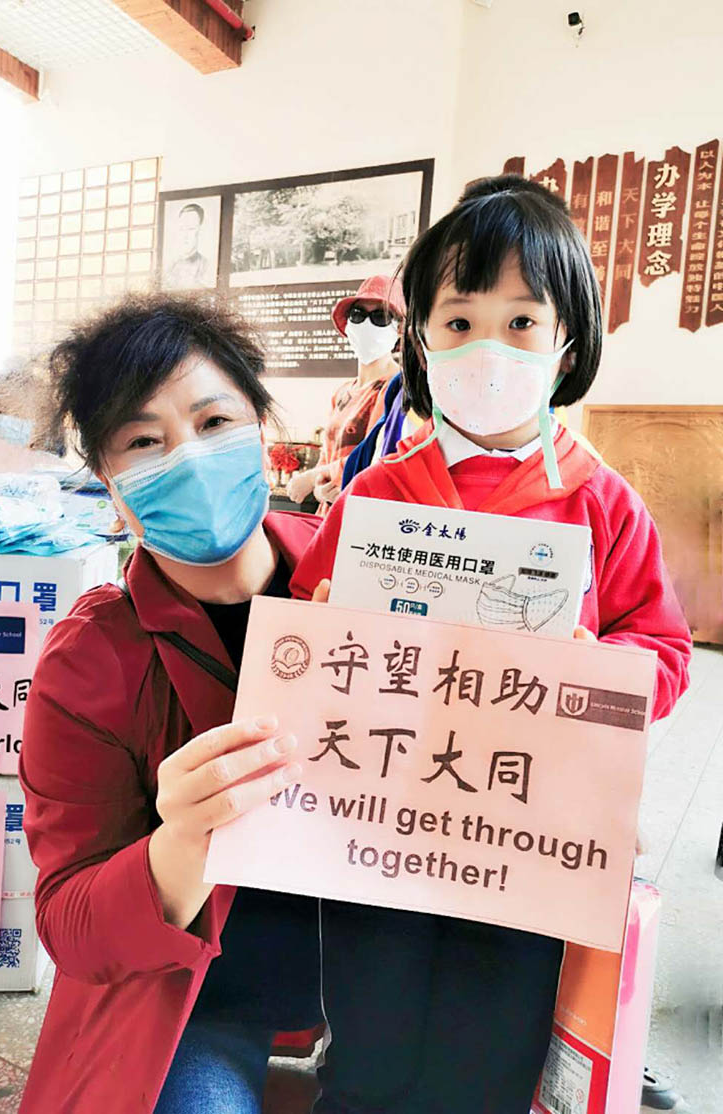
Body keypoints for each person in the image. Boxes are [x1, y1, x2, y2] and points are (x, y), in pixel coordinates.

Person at [291, 175, 692, 1113]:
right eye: (459, 322)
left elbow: (663, 648)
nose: (488, 350)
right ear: (422, 342)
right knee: (369, 1048)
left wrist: (605, 670)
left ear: (567, 345)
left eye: (521, 323)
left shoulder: (602, 502)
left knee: (490, 1055)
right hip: (380, 836)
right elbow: (308, 633)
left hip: (525, 838)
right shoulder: (377, 497)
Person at [18, 293, 324, 1114]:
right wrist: (180, 843)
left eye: (216, 422)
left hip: (393, 987)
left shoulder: (368, 584)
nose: (189, 457)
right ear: (111, 485)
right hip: (199, 1005)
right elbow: (71, 924)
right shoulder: (89, 664)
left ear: (263, 429)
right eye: (146, 443)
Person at [286, 274, 405, 513]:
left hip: (363, 513)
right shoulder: (342, 392)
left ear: (399, 327)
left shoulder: (397, 387)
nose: (367, 325)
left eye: (380, 317)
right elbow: (327, 455)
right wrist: (320, 487)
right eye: (358, 315)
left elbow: (375, 454)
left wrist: (311, 478)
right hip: (329, 511)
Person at [167, 202, 211, 289]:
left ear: (200, 231)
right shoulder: (171, 267)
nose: (185, 235)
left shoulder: (206, 266)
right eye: (182, 229)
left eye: (191, 228)